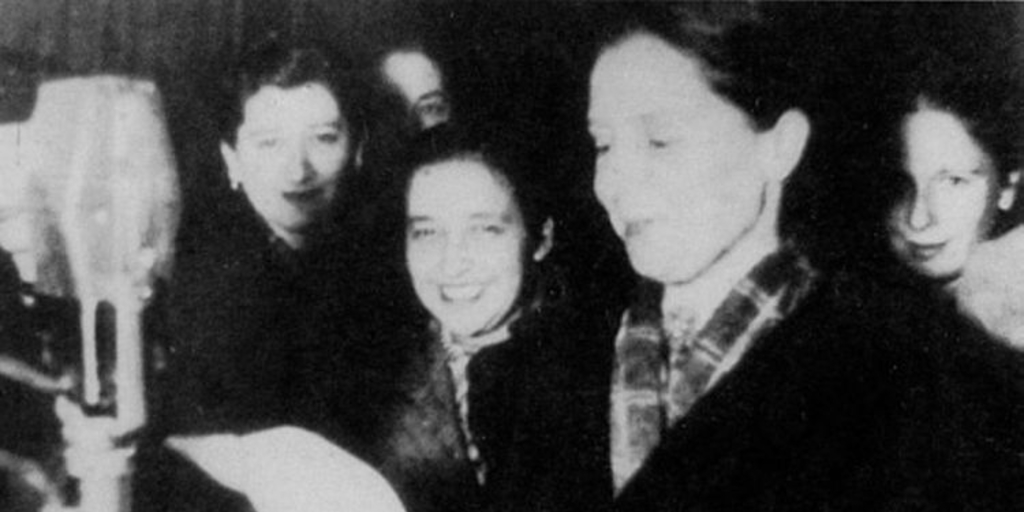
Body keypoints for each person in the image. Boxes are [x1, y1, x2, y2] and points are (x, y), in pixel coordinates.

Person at [517, 3, 1024, 511]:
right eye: (604, 145)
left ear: (781, 146)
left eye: (659, 140)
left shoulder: (909, 377)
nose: (614, 182)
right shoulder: (543, 371)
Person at [133, 39, 405, 512]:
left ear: (357, 149)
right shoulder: (190, 281)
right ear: (231, 160)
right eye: (269, 142)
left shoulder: (389, 267)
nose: (298, 170)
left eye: (324, 138)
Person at [370, 124, 561, 512]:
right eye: (427, 233)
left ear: (541, 239)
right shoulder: (373, 377)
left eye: (484, 230)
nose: (452, 262)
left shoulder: (595, 362)